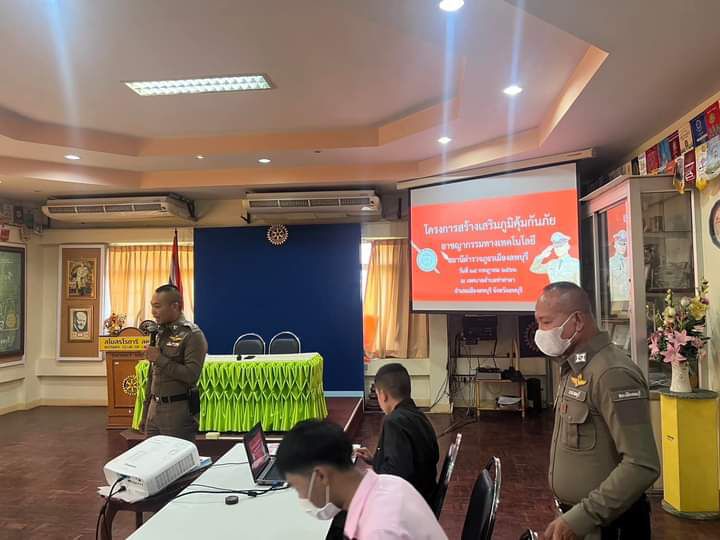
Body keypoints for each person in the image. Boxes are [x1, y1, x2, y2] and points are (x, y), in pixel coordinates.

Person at [534, 282, 660, 540]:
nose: (540, 332)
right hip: (581, 523)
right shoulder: (575, 368)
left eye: (546, 322)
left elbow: (641, 464)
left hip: (609, 525)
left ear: (577, 321)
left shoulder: (612, 373)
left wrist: (583, 517)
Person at [276, 420, 448, 540]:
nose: (302, 498)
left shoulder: (377, 530)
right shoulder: (391, 482)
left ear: (320, 476)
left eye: (298, 488)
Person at [356, 363, 440, 503]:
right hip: (424, 497)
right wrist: (374, 460)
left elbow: (396, 475)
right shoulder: (420, 416)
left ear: (383, 395)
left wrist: (365, 480)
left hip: (407, 504)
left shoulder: (394, 422)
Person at [141, 284, 207, 443]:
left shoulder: (192, 335)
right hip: (154, 410)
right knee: (151, 457)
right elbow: (153, 375)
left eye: (157, 306)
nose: (153, 312)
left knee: (175, 458)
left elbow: (191, 375)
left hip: (177, 412)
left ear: (175, 306)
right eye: (152, 306)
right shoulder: (160, 333)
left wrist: (159, 359)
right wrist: (145, 412)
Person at [609, 230, 629, 305]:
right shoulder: (610, 262)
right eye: (620, 244)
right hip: (616, 299)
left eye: (625, 244)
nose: (623, 247)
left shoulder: (629, 261)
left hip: (629, 298)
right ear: (615, 245)